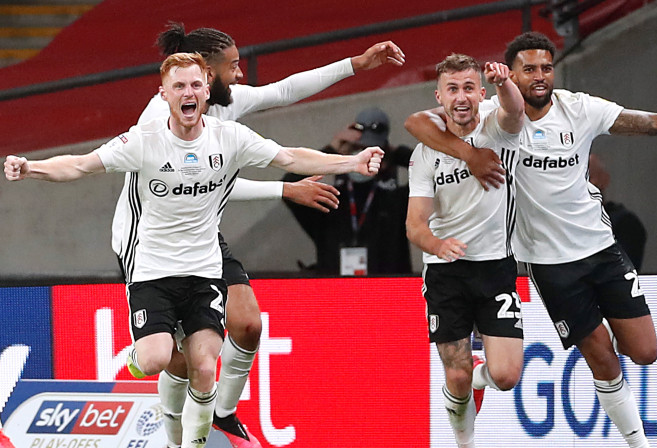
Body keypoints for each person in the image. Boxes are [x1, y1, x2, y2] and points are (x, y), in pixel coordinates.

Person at [4, 53, 384, 448]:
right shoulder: (143, 141)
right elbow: (80, 165)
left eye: (195, 85)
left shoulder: (229, 137)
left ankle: (191, 445)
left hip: (204, 269)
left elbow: (289, 156)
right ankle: (146, 379)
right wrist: (32, 168)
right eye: (179, 86)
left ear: (207, 90)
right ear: (164, 94)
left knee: (204, 366)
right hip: (151, 269)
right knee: (156, 359)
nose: (188, 93)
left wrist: (353, 162)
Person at [405, 32, 657, 448]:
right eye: (529, 69)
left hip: (600, 247)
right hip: (547, 262)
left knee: (645, 352)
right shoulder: (489, 111)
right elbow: (417, 122)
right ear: (511, 74)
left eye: (546, 67)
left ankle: (478, 378)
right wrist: (470, 154)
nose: (540, 76)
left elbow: (654, 122)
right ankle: (639, 444)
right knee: (599, 353)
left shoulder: (580, 108)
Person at [116, 23, 404, 448]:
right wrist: (285, 188)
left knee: (248, 325)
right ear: (207, 72)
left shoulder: (223, 102)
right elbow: (206, 185)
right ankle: (171, 426)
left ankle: (224, 412)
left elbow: (284, 90)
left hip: (201, 234)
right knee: (177, 359)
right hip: (150, 244)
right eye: (233, 66)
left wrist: (355, 65)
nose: (241, 75)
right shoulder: (161, 119)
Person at [406, 54, 525, 448]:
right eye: (452, 89)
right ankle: (465, 444)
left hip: (495, 268)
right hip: (446, 272)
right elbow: (414, 225)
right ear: (438, 96)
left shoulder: (497, 129)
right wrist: (438, 245)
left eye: (469, 88)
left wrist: (503, 82)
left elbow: (515, 108)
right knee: (453, 375)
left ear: (480, 93)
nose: (461, 98)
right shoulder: (424, 154)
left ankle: (481, 375)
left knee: (506, 376)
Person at [283, 107, 412, 275]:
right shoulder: (330, 199)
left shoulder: (394, 200)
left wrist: (396, 153)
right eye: (357, 149)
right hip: (336, 292)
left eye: (372, 152)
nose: (363, 157)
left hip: (384, 292)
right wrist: (332, 152)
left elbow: (434, 174)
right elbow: (289, 187)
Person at [588, 153, 647, 270]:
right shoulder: (559, 223)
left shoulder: (624, 224)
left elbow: (621, 273)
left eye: (587, 177)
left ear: (604, 180)